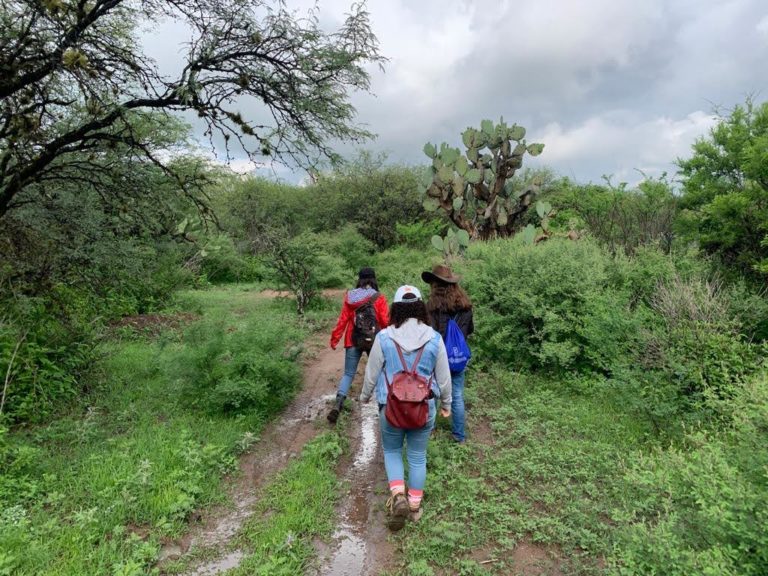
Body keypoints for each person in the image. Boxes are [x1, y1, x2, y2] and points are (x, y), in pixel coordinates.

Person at [360, 285, 452, 531]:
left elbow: (371, 373)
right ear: (421, 307)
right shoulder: (434, 338)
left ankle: (398, 494)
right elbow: (444, 378)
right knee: (417, 455)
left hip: (390, 407)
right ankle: (414, 507)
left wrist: (364, 396)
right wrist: (447, 404)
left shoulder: (384, 337)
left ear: (396, 308)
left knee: (391, 451)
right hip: (424, 407)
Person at [328, 267, 389, 424]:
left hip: (352, 339)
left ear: (359, 279)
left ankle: (338, 404)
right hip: (373, 340)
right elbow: (385, 320)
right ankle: (384, 406)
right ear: (374, 279)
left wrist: (335, 339)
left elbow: (343, 320)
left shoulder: (350, 297)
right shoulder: (379, 297)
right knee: (380, 372)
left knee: (348, 374)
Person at [422, 264, 474, 443]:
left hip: (437, 358)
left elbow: (428, 334)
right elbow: (470, 330)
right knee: (457, 395)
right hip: (459, 358)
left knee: (433, 393)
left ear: (434, 285)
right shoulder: (465, 306)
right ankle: (459, 436)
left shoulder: (431, 307)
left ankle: (430, 431)